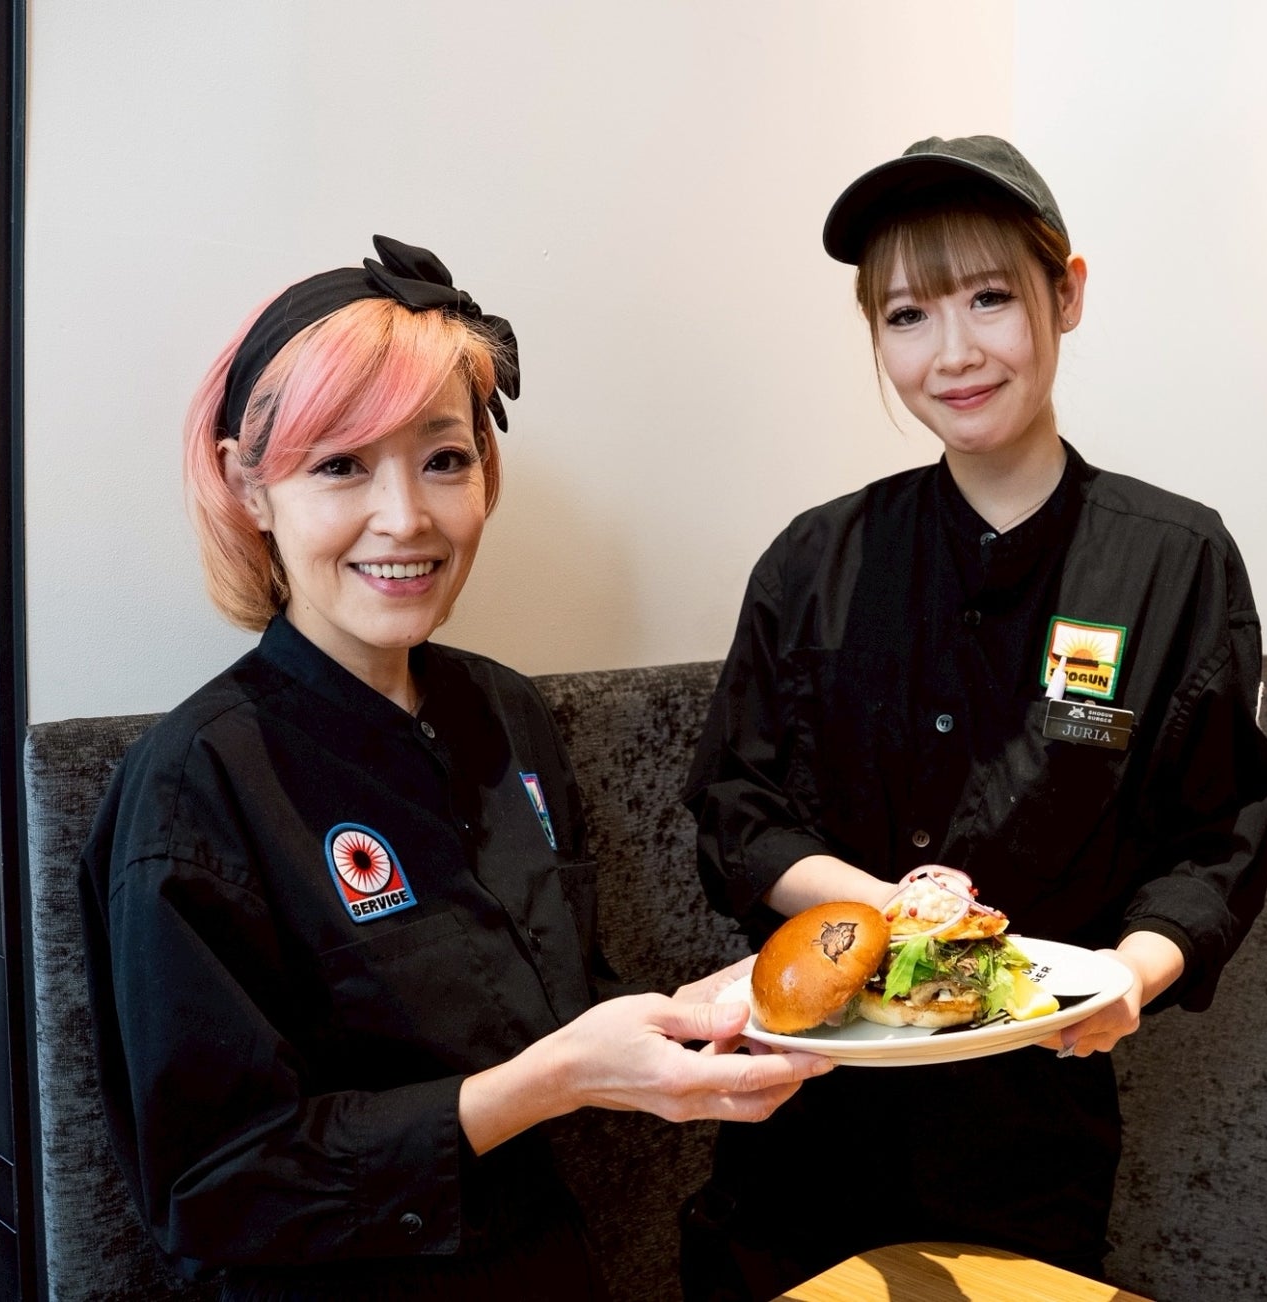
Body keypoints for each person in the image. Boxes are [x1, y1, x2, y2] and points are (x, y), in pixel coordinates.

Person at [79, 237, 831, 1301]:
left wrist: (710, 1013)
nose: (407, 517)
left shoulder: (506, 714)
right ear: (251, 488)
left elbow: (556, 1006)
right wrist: (549, 1081)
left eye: (444, 459)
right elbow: (215, 1188)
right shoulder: (194, 784)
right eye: (340, 465)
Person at [680, 137, 1267, 1297]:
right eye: (907, 315)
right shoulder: (815, 560)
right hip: (801, 1112)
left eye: (990, 298)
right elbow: (736, 810)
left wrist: (1132, 974)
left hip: (1029, 1130)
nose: (952, 352)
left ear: (1066, 294)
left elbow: (1218, 835)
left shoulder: (1174, 560)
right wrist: (905, 917)